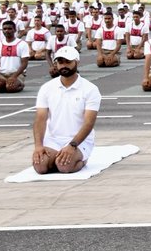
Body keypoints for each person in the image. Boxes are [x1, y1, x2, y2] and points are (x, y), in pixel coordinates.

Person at [31, 46, 101, 174]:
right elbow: (40, 119)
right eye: (60, 62)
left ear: (77, 62)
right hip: (53, 140)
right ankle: (56, 158)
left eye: (68, 62)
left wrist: (72, 145)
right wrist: (39, 146)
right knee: (40, 166)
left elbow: (89, 123)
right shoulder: (47, 88)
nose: (64, 65)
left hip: (79, 142)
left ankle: (81, 160)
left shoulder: (90, 89)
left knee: (65, 166)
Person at [0, 20, 29, 93]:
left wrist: (14, 76)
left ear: (15, 30)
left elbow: (24, 63)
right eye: (5, 29)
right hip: (2, 74)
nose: (7, 31)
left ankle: (20, 84)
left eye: (9, 29)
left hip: (16, 74)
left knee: (11, 88)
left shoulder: (22, 44)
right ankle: (4, 83)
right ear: (2, 30)